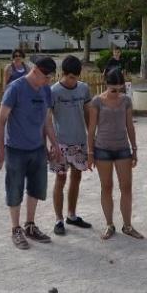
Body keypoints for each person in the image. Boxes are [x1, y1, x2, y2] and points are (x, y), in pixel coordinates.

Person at [0, 56, 60, 249]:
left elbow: (47, 121)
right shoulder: (16, 88)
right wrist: (1, 150)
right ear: (36, 71)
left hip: (37, 148)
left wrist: (54, 144)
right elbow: (1, 120)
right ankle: (15, 229)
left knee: (36, 189)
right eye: (46, 77)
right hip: (16, 149)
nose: (48, 81)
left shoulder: (45, 90)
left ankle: (30, 225)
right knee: (14, 190)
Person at [87, 68, 143, 240]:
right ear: (106, 84)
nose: (117, 93)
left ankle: (127, 225)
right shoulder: (97, 101)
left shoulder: (125, 100)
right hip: (102, 148)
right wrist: (90, 152)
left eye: (120, 89)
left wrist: (134, 149)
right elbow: (91, 129)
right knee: (107, 187)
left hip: (122, 148)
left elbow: (130, 126)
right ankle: (109, 224)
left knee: (126, 187)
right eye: (113, 89)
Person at [49, 55, 93, 235]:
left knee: (77, 178)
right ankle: (58, 219)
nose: (73, 81)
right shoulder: (53, 91)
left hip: (80, 142)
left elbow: (89, 115)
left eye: (76, 77)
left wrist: (91, 140)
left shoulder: (84, 89)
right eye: (70, 77)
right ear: (63, 74)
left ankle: (72, 215)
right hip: (61, 143)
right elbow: (47, 120)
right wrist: (52, 143)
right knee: (60, 179)